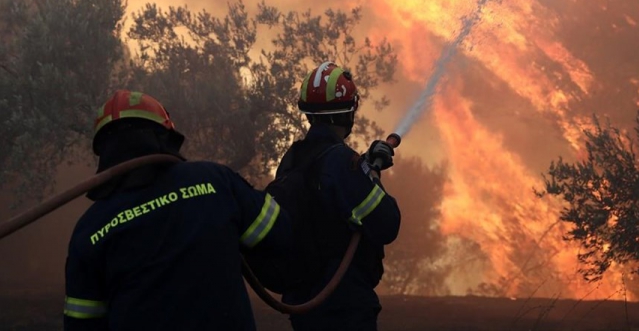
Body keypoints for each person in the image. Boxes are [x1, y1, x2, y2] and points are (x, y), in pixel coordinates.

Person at [63, 90, 290, 330]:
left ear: (103, 150)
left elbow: (81, 324)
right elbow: (280, 234)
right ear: (166, 135)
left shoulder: (90, 230)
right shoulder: (214, 180)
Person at [273, 62, 401, 331]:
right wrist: (370, 174)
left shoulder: (292, 159)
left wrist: (364, 165)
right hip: (343, 304)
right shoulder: (341, 162)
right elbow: (387, 223)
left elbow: (331, 196)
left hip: (304, 301)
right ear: (348, 112)